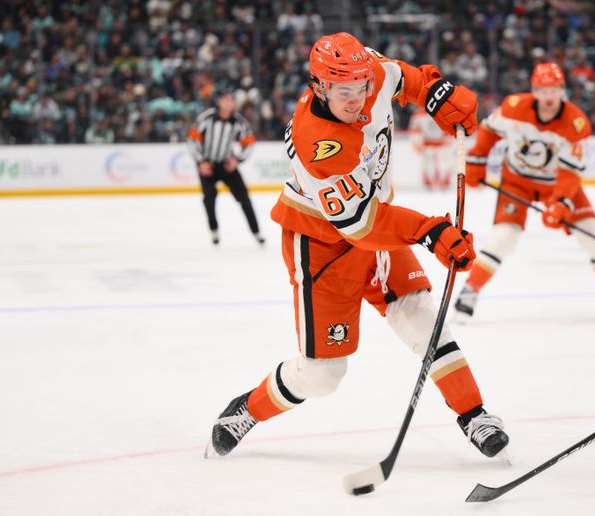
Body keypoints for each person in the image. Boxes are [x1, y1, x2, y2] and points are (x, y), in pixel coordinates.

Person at [204, 33, 510, 461]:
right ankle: (249, 409)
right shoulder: (320, 144)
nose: (356, 98)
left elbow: (403, 77)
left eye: (361, 87)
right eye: (344, 91)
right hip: (324, 245)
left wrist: (437, 93)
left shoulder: (368, 72)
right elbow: (362, 227)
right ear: (319, 87)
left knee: (420, 316)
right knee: (324, 374)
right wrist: (430, 231)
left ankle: (473, 414)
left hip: (377, 224)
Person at [453, 63, 595, 321]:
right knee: (503, 237)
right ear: (534, 90)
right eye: (543, 90)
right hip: (517, 181)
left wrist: (561, 202)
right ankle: (469, 291)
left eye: (554, 90)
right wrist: (478, 159)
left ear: (562, 90)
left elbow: (570, 173)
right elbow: (488, 130)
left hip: (558, 185)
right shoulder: (514, 106)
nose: (548, 97)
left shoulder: (575, 123)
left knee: (593, 236)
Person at [187, 88, 265, 246]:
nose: (229, 102)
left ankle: (257, 233)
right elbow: (192, 139)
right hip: (207, 165)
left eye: (231, 99)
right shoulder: (207, 118)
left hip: (226, 165)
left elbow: (249, 141)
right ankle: (214, 230)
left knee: (244, 199)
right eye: (225, 99)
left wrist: (237, 159)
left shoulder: (238, 121)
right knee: (209, 199)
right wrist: (201, 162)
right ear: (219, 101)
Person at [409, 105, 453, 190]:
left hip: (442, 144)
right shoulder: (418, 114)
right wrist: (416, 142)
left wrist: (448, 139)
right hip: (427, 144)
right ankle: (428, 184)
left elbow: (450, 127)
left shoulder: (444, 111)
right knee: (427, 165)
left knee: (445, 164)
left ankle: (444, 184)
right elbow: (414, 129)